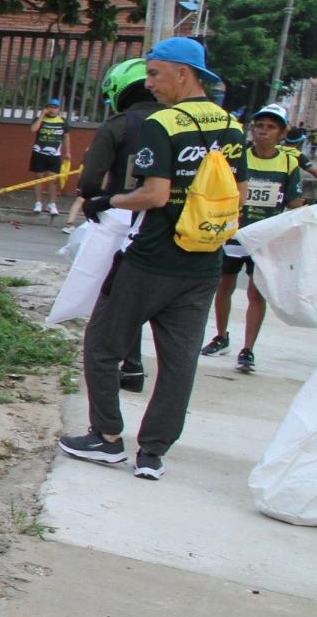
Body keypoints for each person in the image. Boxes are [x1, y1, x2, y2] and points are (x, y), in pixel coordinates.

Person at [59, 37, 248, 481]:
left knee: (103, 344)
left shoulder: (163, 125)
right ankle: (153, 453)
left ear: (183, 73)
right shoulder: (232, 127)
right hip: (203, 265)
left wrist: (107, 201)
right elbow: (236, 196)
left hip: (149, 260)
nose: (150, 84)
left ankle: (106, 438)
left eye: (154, 73)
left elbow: (154, 194)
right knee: (179, 362)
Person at [73, 57, 168, 390]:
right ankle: (140, 367)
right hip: (171, 224)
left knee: (115, 295)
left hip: (124, 219)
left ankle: (126, 365)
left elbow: (89, 181)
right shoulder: (177, 123)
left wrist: (96, 198)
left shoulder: (117, 126)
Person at [201, 104, 305, 373]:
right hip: (234, 233)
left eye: (270, 128)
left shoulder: (288, 162)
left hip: (266, 238)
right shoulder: (239, 157)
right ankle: (221, 336)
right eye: (259, 126)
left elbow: (293, 201)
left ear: (282, 133)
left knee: (256, 292)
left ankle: (248, 349)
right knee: (224, 285)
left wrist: (307, 210)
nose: (263, 132)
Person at [27, 98, 70, 215]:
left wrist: (68, 152)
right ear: (46, 108)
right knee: (38, 178)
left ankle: (52, 204)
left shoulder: (62, 121)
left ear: (59, 109)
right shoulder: (39, 119)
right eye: (50, 107)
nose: (52, 110)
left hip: (55, 154)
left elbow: (66, 136)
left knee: (53, 180)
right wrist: (41, 116)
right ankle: (38, 203)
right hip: (38, 153)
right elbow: (33, 129)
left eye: (55, 107)